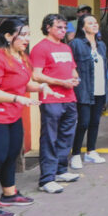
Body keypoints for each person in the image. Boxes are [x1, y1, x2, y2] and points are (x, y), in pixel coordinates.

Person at [0, 18, 61, 216]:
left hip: (12, 114)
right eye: (23, 35)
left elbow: (23, 82)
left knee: (12, 155)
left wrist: (42, 87)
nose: (27, 39)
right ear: (8, 36)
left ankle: (9, 194)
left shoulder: (20, 56)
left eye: (29, 34)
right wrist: (17, 98)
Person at [30, 13, 81, 194]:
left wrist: (75, 80)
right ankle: (46, 179)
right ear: (48, 28)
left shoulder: (66, 48)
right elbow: (36, 75)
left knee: (66, 136)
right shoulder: (40, 48)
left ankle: (60, 170)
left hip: (70, 98)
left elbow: (73, 71)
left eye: (64, 27)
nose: (63, 30)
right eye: (59, 27)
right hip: (51, 98)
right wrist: (61, 82)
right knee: (50, 138)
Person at [69, 14, 108, 169]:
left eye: (95, 22)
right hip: (84, 89)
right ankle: (75, 154)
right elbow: (70, 66)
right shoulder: (76, 44)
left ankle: (91, 151)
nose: (94, 24)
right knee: (83, 122)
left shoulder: (101, 45)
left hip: (100, 89)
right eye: (90, 23)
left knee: (95, 122)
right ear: (82, 27)